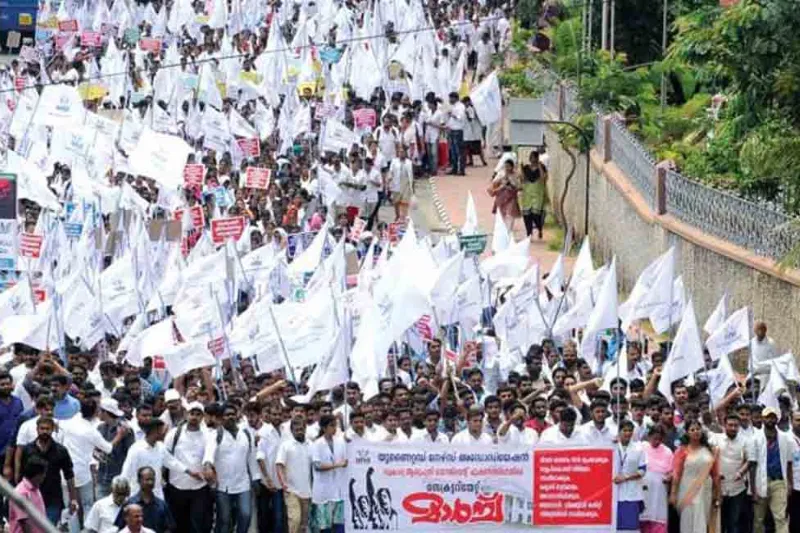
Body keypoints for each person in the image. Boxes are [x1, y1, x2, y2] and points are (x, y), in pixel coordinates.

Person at [202, 402, 257, 533]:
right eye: (227, 415)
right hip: (223, 486)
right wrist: (208, 465)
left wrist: (256, 478)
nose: (230, 417)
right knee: (225, 519)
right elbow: (209, 452)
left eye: (233, 414)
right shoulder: (216, 435)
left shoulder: (246, 434)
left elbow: (251, 458)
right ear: (221, 418)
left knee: (245, 515)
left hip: (243, 484)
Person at [59, 398, 114, 524]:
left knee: (70, 506)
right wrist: (119, 435)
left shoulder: (70, 422)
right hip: (82, 473)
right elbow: (109, 448)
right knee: (88, 504)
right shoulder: (91, 431)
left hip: (65, 472)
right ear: (95, 413)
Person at [18, 416, 78, 525]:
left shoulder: (61, 451)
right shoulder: (28, 450)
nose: (45, 431)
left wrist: (73, 498)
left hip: (53, 498)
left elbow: (69, 475)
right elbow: (23, 474)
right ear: (37, 429)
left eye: (47, 429)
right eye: (42, 428)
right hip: (32, 497)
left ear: (52, 429)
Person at [163, 402, 210, 533]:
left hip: (199, 487)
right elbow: (166, 457)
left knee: (196, 525)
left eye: (198, 414)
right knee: (178, 524)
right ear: (186, 414)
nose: (194, 417)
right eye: (192, 413)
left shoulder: (207, 435)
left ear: (202, 417)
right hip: (177, 486)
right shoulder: (174, 433)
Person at [670, 420, 721, 533]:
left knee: (702, 519)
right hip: (686, 491)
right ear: (687, 433)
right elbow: (676, 474)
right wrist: (673, 494)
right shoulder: (682, 451)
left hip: (705, 491)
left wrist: (717, 494)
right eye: (692, 430)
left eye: (698, 429)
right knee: (687, 520)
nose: (696, 432)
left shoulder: (710, 450)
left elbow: (716, 475)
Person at [753, 407, 794, 533]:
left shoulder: (785, 438)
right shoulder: (756, 438)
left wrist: (790, 483)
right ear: (763, 419)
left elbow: (788, 463)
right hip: (761, 482)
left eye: (773, 417)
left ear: (777, 419)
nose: (770, 420)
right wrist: (753, 489)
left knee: (781, 518)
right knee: (758, 519)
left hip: (779, 482)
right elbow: (752, 464)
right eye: (768, 417)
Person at [711, 413, 753, 533]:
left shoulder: (745, 441)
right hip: (719, 488)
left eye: (736, 425)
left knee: (734, 522)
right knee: (719, 522)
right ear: (724, 425)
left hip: (737, 488)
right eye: (730, 425)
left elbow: (749, 460)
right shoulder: (715, 439)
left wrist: (741, 472)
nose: (733, 428)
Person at [310, 415, 347, 533]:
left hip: (338, 490)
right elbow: (317, 466)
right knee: (325, 526)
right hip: (323, 491)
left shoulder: (340, 441)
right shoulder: (317, 444)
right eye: (331, 425)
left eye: (335, 425)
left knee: (339, 524)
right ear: (324, 428)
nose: (334, 428)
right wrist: (337, 465)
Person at [276, 419, 312, 533]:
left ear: (305, 429)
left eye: (301, 429)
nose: (299, 432)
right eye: (296, 430)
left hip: (307, 490)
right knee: (295, 520)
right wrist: (284, 483)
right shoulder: (286, 446)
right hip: (291, 490)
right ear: (291, 431)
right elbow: (279, 464)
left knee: (303, 524)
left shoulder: (311, 444)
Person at [114, 467, 175, 533]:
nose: (150, 482)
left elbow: (169, 528)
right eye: (147, 479)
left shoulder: (162, 505)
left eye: (152, 479)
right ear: (139, 480)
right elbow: (121, 528)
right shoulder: (129, 504)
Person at [615, 420, 647, 532]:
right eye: (625, 430)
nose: (627, 433)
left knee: (631, 527)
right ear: (619, 431)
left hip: (632, 493)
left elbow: (642, 471)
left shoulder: (638, 448)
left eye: (630, 430)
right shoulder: (612, 447)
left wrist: (626, 477)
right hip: (615, 493)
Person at [641, 425, 673, 533]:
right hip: (644, 489)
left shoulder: (667, 451)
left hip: (660, 490)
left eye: (660, 439)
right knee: (643, 517)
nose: (657, 441)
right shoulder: (642, 447)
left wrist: (669, 477)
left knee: (659, 518)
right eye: (654, 438)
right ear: (649, 436)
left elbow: (671, 471)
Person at [9, 455, 48, 533]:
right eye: (43, 474)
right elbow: (24, 522)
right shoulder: (21, 493)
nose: (44, 476)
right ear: (36, 474)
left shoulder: (35, 489)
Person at [520, 150, 548, 240]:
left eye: (534, 157)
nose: (532, 159)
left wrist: (539, 166)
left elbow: (543, 178)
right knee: (527, 215)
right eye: (531, 157)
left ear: (537, 158)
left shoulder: (542, 167)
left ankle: (539, 229)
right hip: (527, 193)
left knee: (536, 214)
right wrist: (521, 170)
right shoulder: (526, 168)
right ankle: (529, 233)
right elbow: (523, 180)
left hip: (538, 192)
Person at [489, 158, 521, 232]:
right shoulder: (501, 174)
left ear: (512, 167)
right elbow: (494, 183)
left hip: (511, 197)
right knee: (501, 215)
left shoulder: (516, 175)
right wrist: (502, 180)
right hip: (501, 197)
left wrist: (511, 183)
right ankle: (502, 231)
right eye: (505, 166)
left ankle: (508, 231)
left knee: (510, 215)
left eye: (508, 166)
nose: (507, 168)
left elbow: (519, 186)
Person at [445, 91, 466, 175]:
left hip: (458, 131)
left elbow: (460, 117)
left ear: (455, 98)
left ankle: (461, 170)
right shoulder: (453, 106)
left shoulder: (460, 106)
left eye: (450, 98)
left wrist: (452, 114)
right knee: (453, 151)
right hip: (452, 130)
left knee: (459, 151)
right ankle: (454, 168)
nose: (449, 99)